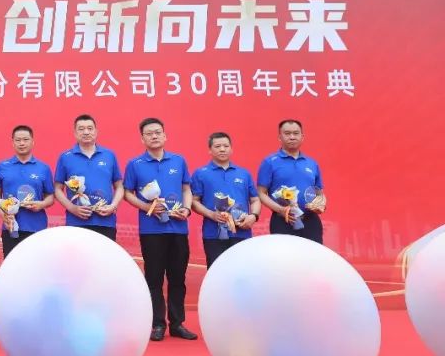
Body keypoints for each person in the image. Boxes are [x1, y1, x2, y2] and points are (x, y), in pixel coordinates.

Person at [123, 117, 197, 342]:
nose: (154, 136)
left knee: (177, 277)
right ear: (142, 138)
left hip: (178, 228)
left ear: (165, 135)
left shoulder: (178, 161)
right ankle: (157, 323)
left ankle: (177, 323)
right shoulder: (135, 164)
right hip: (151, 230)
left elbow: (186, 189)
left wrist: (186, 209)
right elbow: (127, 193)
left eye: (157, 132)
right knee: (154, 278)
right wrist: (148, 207)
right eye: (149, 133)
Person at [190, 132, 261, 268]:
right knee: (216, 271)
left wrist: (253, 216)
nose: (222, 149)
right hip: (213, 234)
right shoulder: (201, 173)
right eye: (217, 146)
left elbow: (255, 199)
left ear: (231, 149)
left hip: (241, 232)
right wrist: (212, 214)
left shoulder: (244, 173)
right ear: (210, 150)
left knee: (242, 272)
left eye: (226, 146)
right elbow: (194, 201)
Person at [53, 114, 123, 241]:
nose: (86, 132)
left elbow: (119, 186)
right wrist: (72, 208)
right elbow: (57, 189)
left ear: (96, 131)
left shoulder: (109, 155)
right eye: (81, 129)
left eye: (90, 128)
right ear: (75, 133)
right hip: (76, 221)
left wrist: (113, 206)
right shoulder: (66, 157)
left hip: (105, 221)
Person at [257, 119, 326, 244]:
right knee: (284, 256)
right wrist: (281, 210)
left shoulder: (311, 163)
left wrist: (320, 204)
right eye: (287, 133)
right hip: (282, 220)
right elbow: (261, 193)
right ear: (280, 137)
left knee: (312, 255)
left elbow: (319, 192)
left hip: (311, 220)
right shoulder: (270, 162)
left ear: (302, 137)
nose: (292, 137)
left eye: (296, 133)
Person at [0, 125, 54, 258]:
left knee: (36, 265)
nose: (22, 143)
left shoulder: (43, 168)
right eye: (18, 140)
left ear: (33, 142)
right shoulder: (2, 166)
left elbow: (50, 197)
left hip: (36, 227)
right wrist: (3, 215)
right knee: (12, 265)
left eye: (25, 139)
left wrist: (41, 204)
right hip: (10, 227)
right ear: (12, 142)